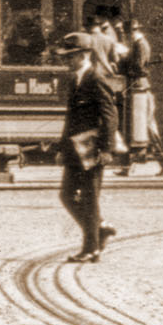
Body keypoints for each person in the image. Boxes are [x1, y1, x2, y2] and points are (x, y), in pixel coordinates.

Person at [55, 31, 124, 263]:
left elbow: (110, 116)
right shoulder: (75, 79)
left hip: (92, 148)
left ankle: (91, 249)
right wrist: (62, 148)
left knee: (89, 198)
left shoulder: (96, 78)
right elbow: (71, 118)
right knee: (66, 195)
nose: (66, 60)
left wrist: (106, 148)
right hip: (74, 149)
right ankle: (100, 228)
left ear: (84, 55)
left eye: (70, 56)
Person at [117, 21, 163, 177]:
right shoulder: (138, 44)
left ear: (132, 32)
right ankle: (129, 166)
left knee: (142, 126)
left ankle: (161, 163)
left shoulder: (140, 45)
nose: (127, 37)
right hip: (137, 88)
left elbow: (139, 67)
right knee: (137, 127)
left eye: (127, 33)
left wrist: (123, 59)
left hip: (139, 88)